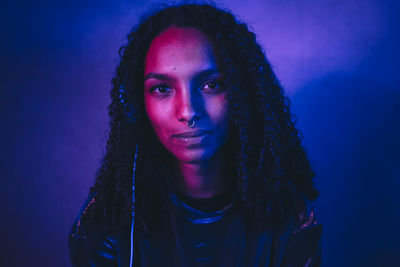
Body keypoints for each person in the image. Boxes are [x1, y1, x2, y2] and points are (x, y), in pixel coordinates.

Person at [69, 3, 322, 267]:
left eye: (212, 84)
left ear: (243, 93)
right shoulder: (106, 222)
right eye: (162, 89)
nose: (188, 111)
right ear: (137, 102)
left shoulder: (290, 218)